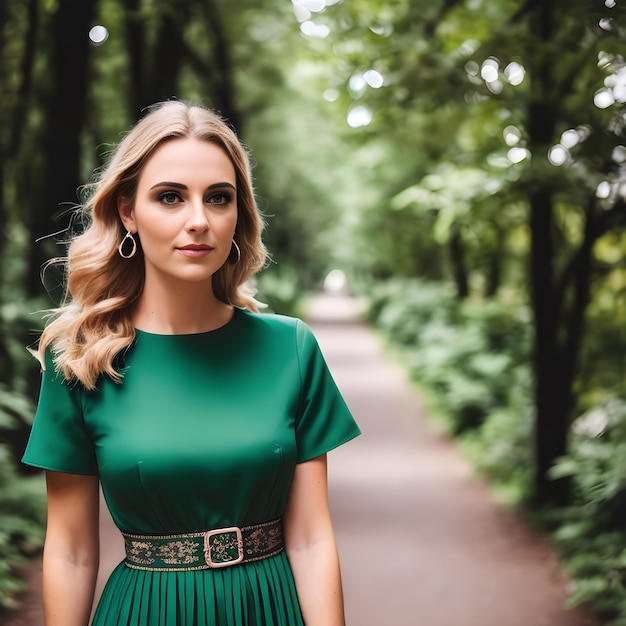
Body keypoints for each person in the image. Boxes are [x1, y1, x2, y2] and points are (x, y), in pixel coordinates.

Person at [21, 100, 360, 626]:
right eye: (170, 197)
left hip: (268, 610)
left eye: (218, 198)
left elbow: (313, 539)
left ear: (237, 216)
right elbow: (70, 551)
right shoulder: (82, 364)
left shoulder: (291, 349)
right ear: (128, 212)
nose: (198, 221)